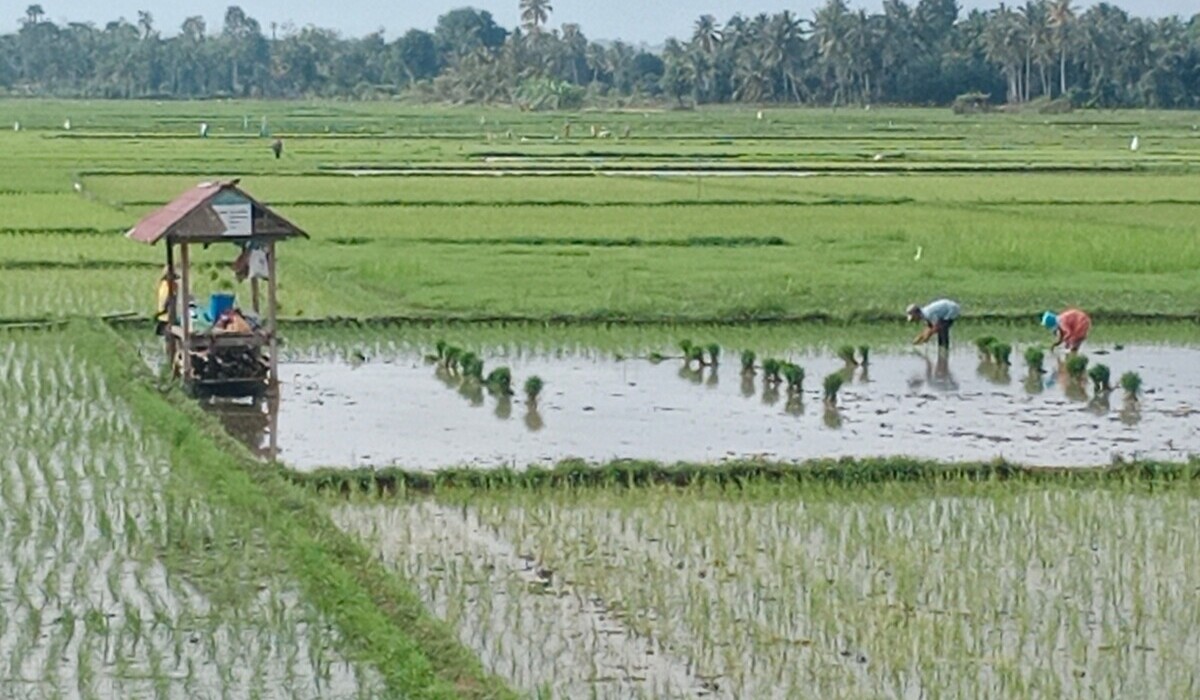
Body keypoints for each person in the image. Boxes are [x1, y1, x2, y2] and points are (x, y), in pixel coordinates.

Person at [155, 267, 177, 336]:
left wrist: (161, 311)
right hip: (166, 315)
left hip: (166, 315)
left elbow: (168, 299)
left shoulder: (163, 284)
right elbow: (169, 299)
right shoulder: (167, 285)